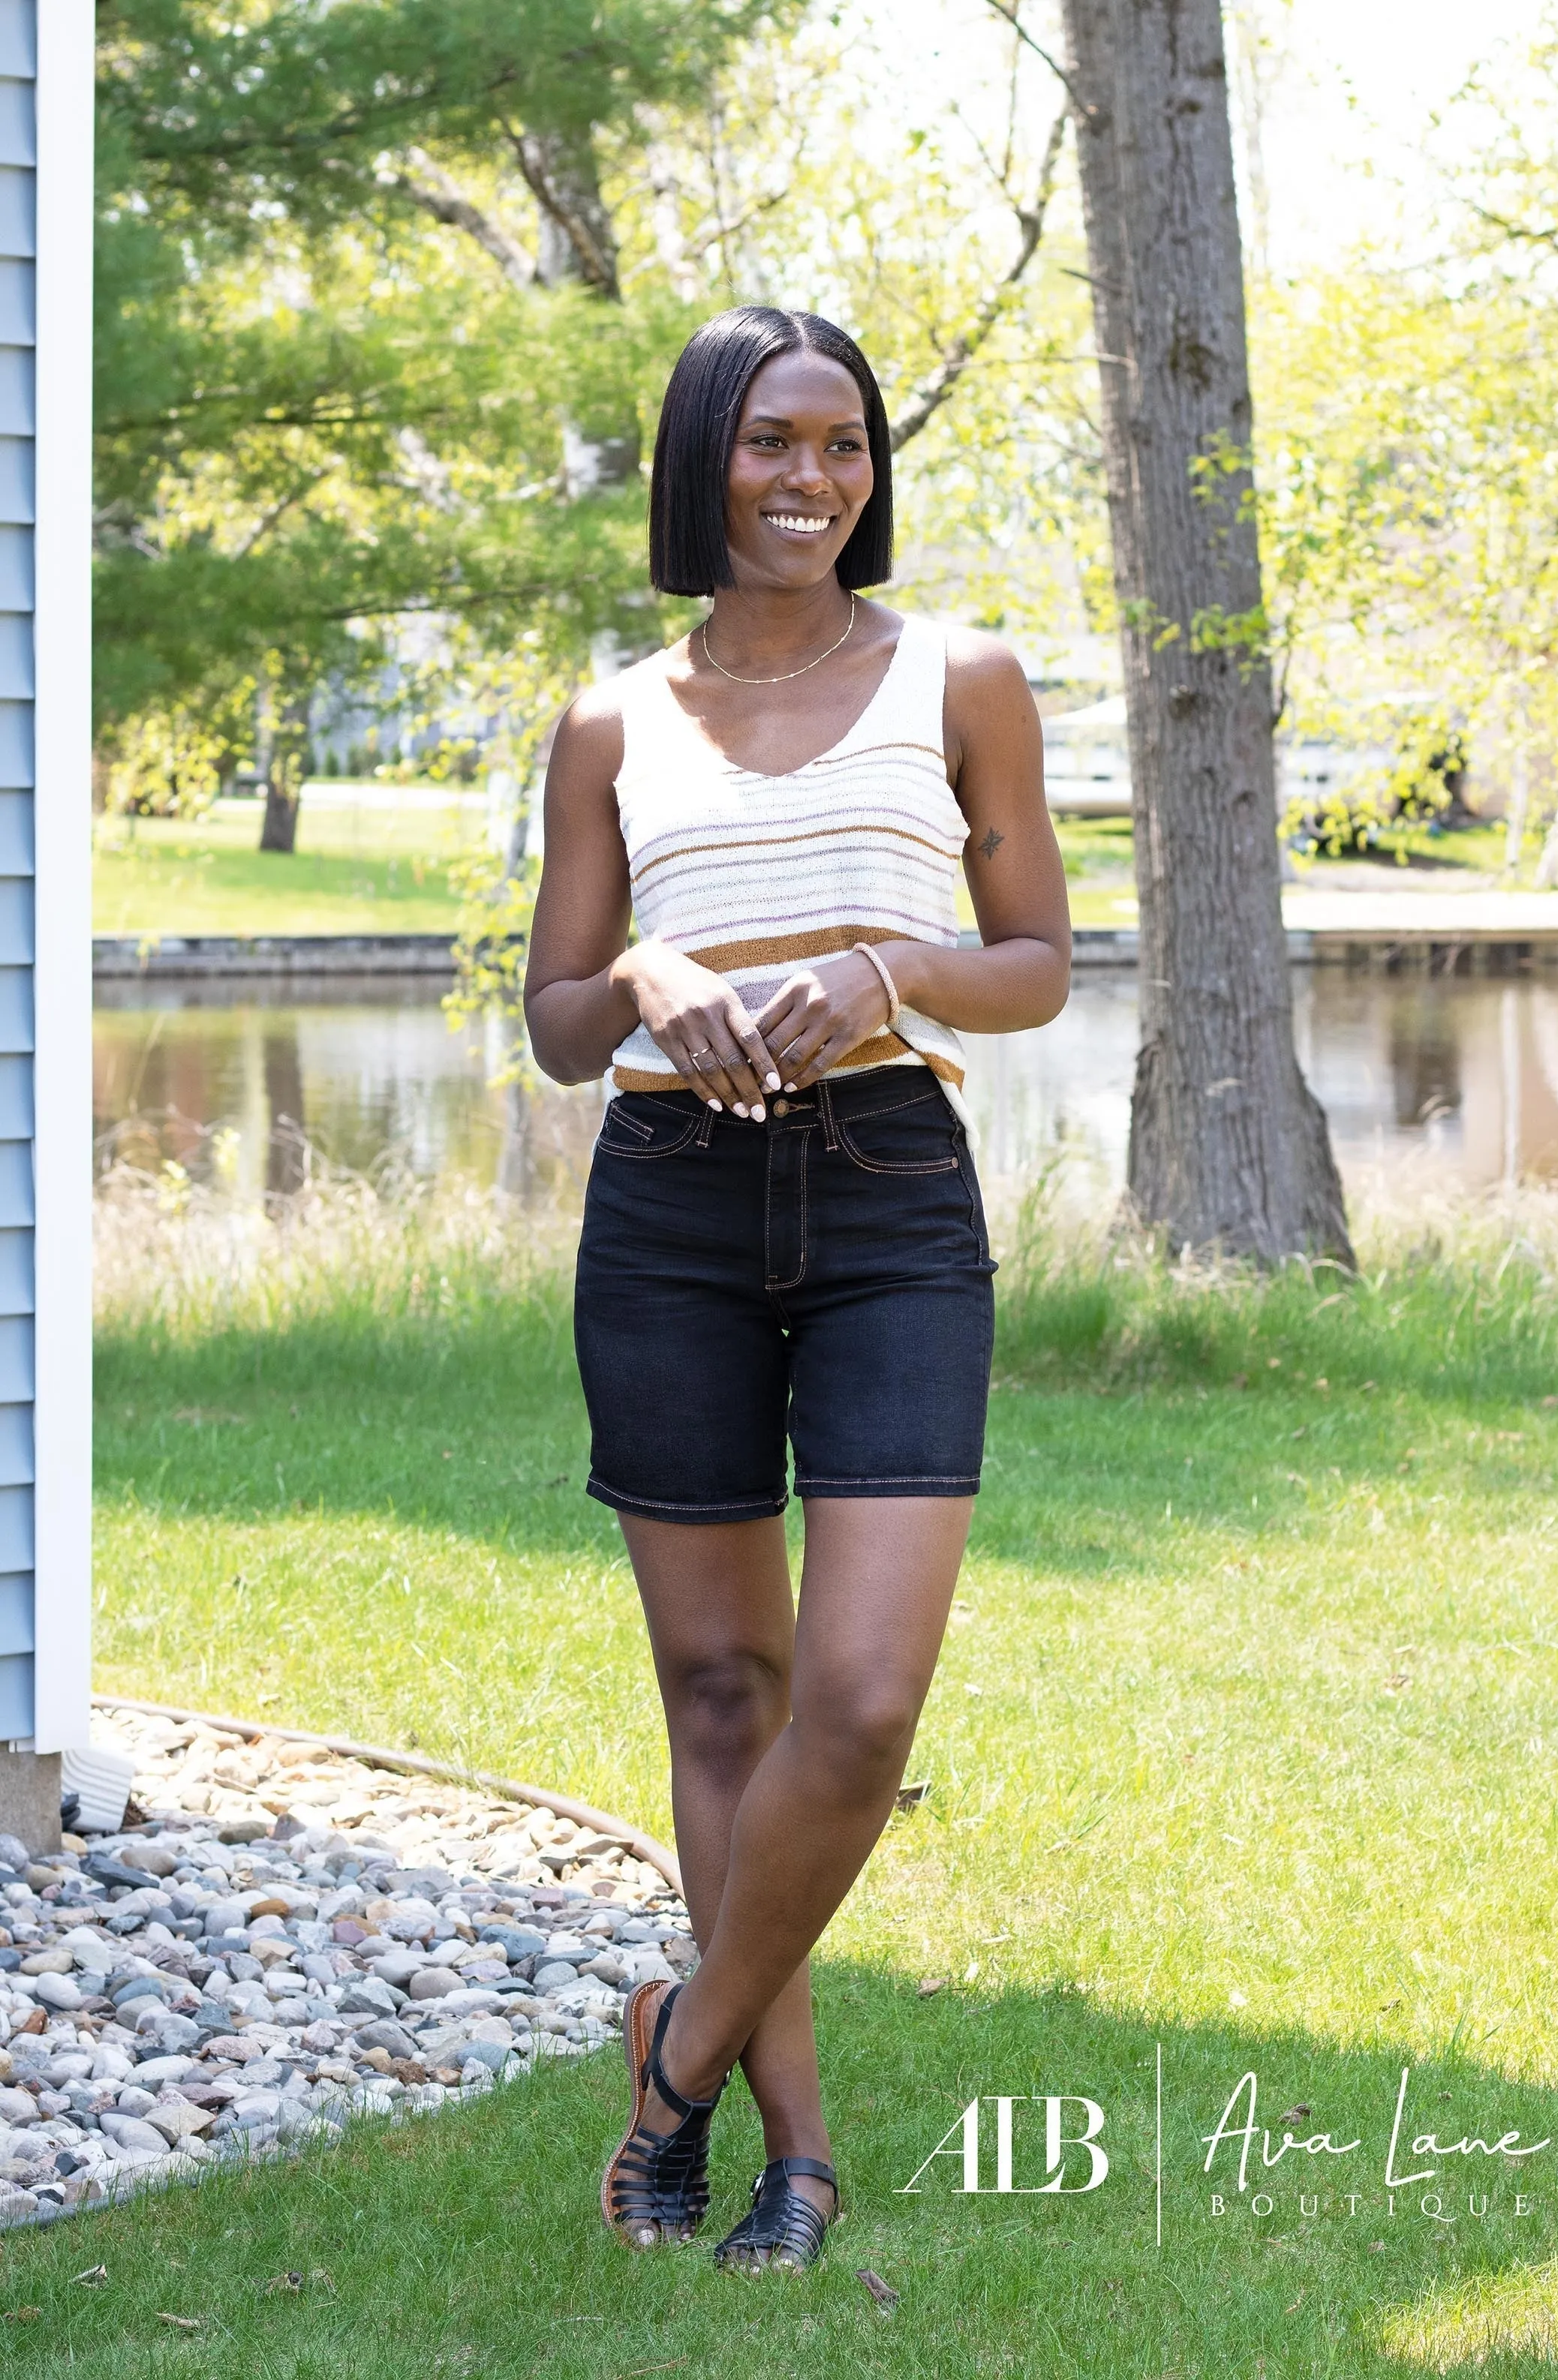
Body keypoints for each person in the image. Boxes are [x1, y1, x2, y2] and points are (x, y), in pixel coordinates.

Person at [523, 305, 1070, 2273]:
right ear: (704, 460)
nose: (810, 480)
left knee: (854, 1695)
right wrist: (659, 978)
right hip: (668, 1203)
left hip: (890, 1204)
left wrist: (886, 962)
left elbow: (1037, 964)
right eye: (771, 443)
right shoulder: (610, 717)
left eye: (842, 444)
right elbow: (561, 1023)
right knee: (723, 1689)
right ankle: (793, 2155)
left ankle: (671, 2052)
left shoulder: (963, 675)